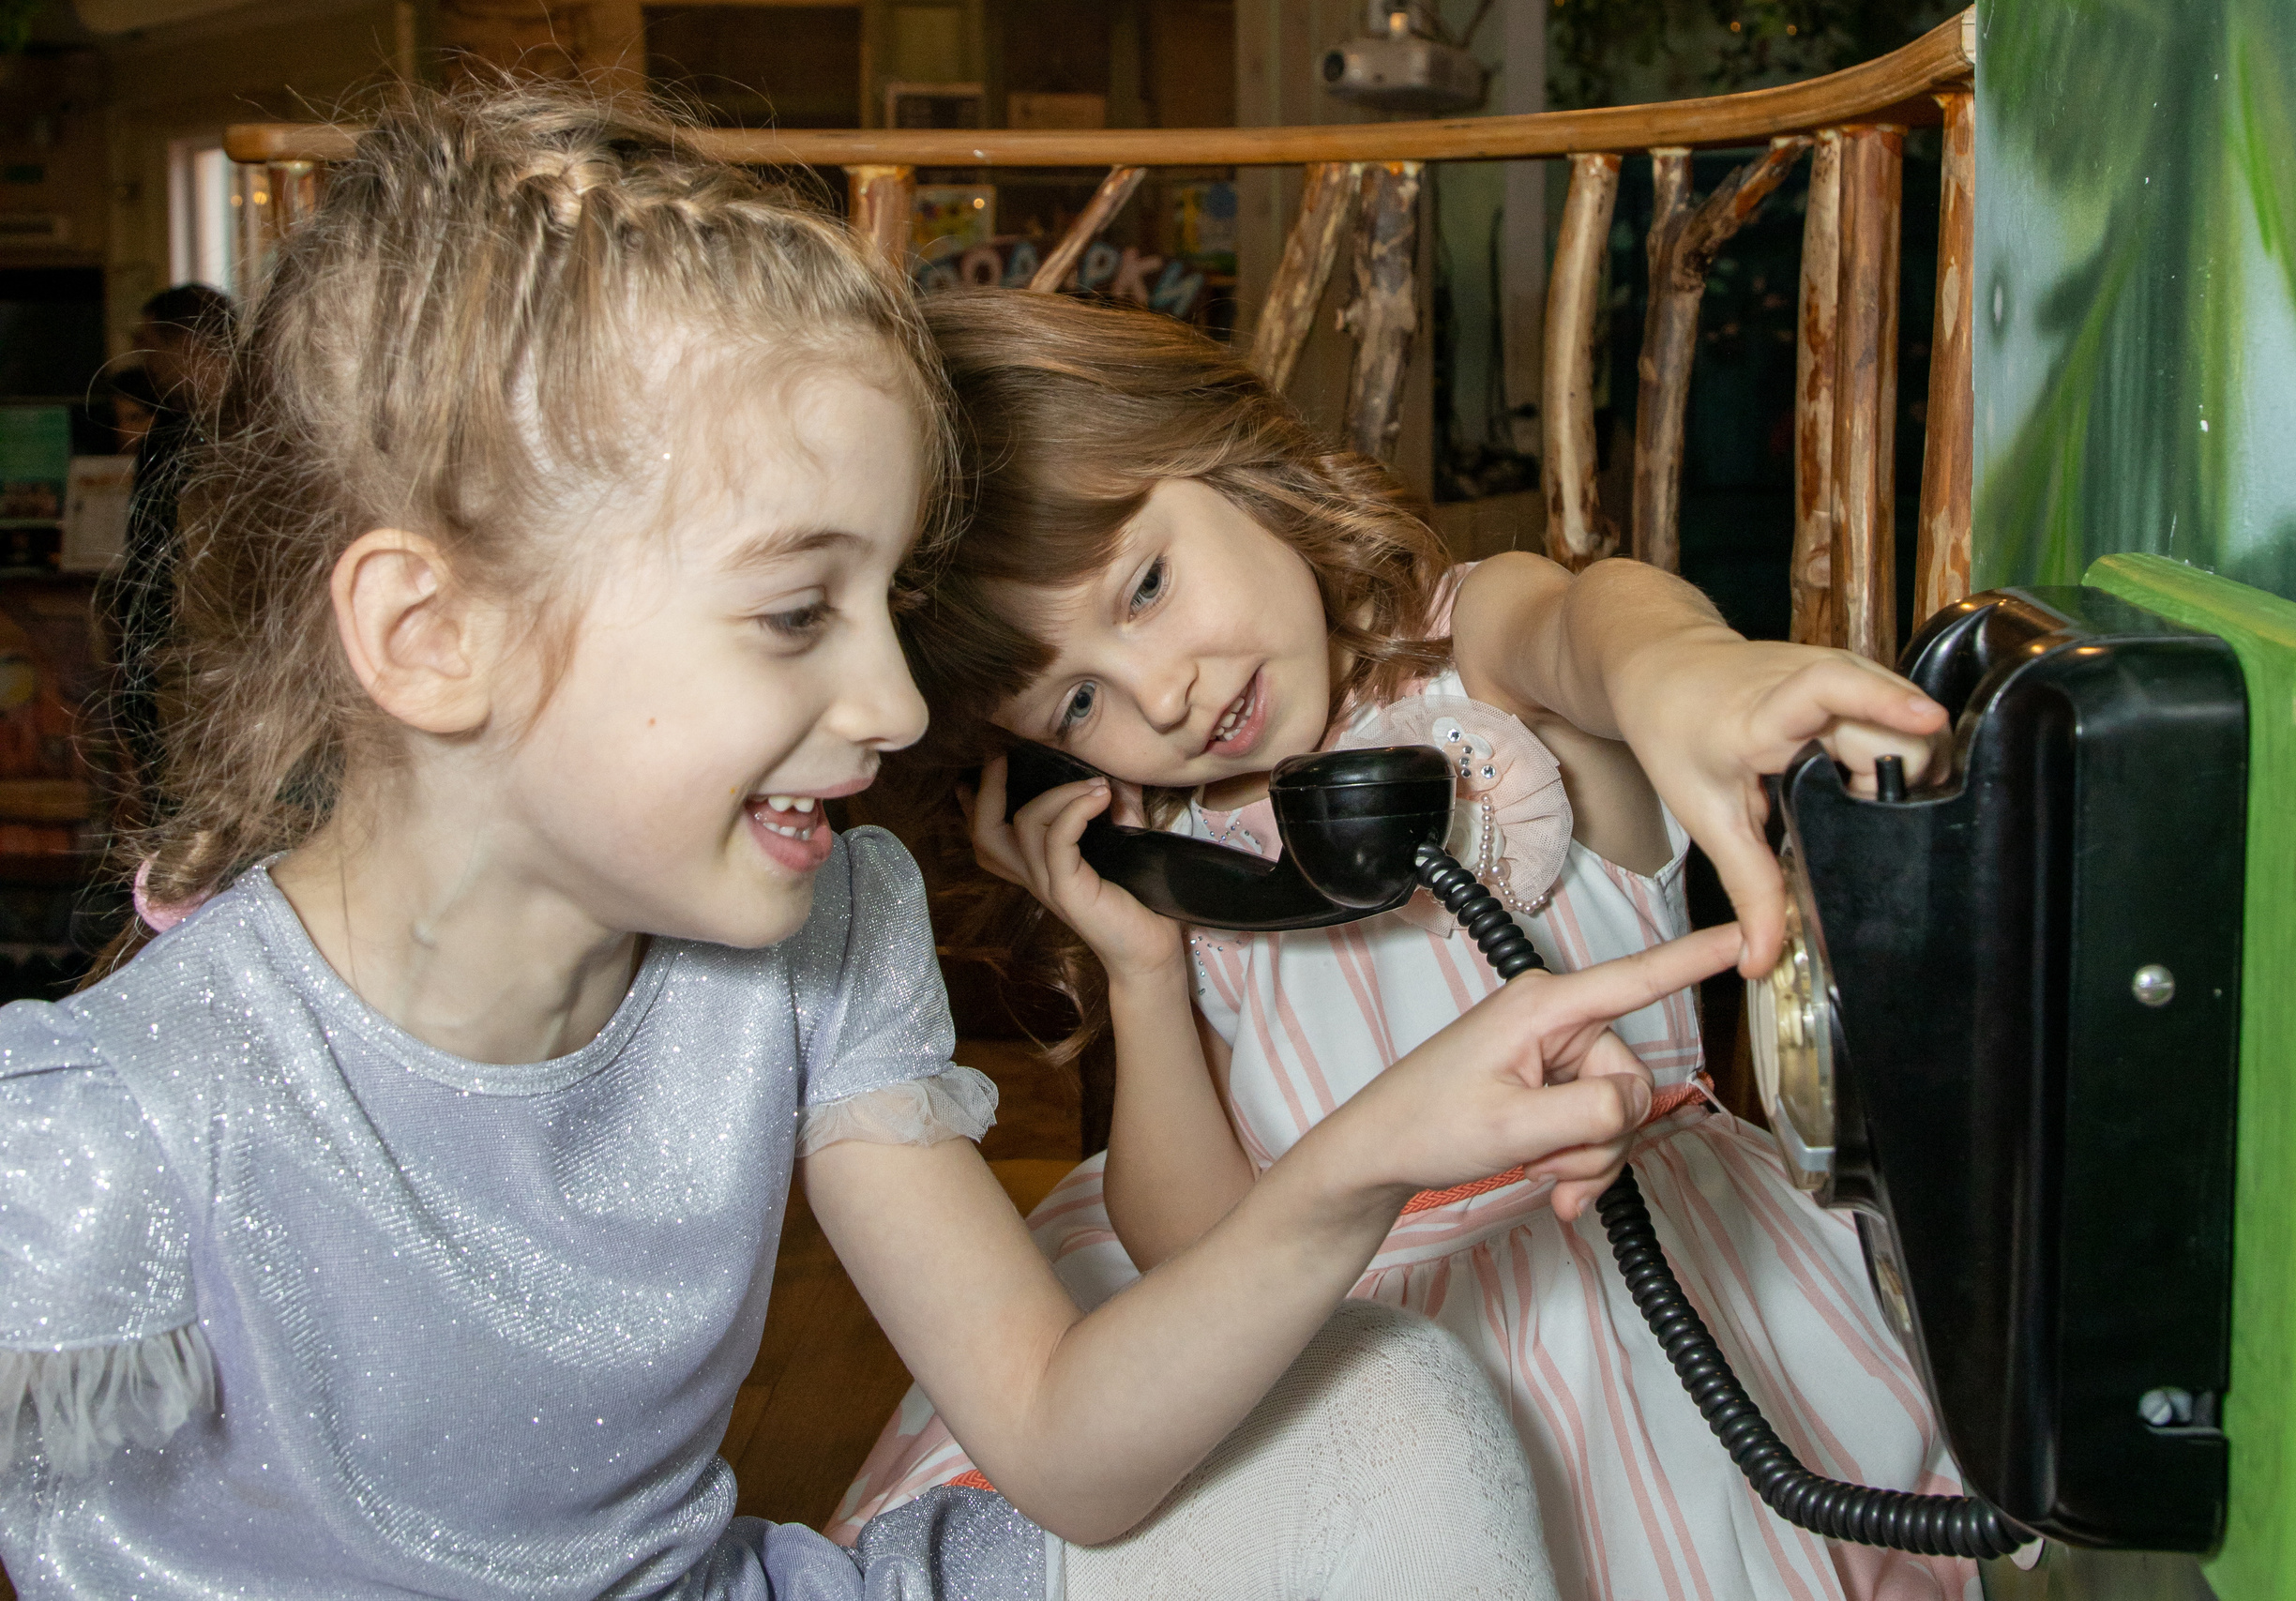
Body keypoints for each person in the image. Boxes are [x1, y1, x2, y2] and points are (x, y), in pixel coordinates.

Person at [0, 88, 1744, 1601]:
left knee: (1390, 1402)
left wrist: (1366, 1153)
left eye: (886, 606)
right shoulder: (110, 1123)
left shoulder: (825, 941)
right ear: (432, 634)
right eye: (792, 611)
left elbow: (1072, 1440)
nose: (905, 706)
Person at [835, 290, 1975, 1600]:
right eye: (1078, 701)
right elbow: (1195, 1251)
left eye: (1145, 586)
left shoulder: (1473, 658)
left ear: (1230, 460)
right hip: (1338, 1329)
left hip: (1617, 1290)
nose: (1167, 694)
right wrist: (1141, 965)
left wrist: (1688, 673)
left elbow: (1590, 618)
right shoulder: (1192, 863)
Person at [105, 281, 234, 815]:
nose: (146, 361)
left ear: (185, 344)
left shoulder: (207, 433)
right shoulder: (192, 427)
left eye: (150, 343)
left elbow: (157, 552)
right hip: (187, 648)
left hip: (196, 648)